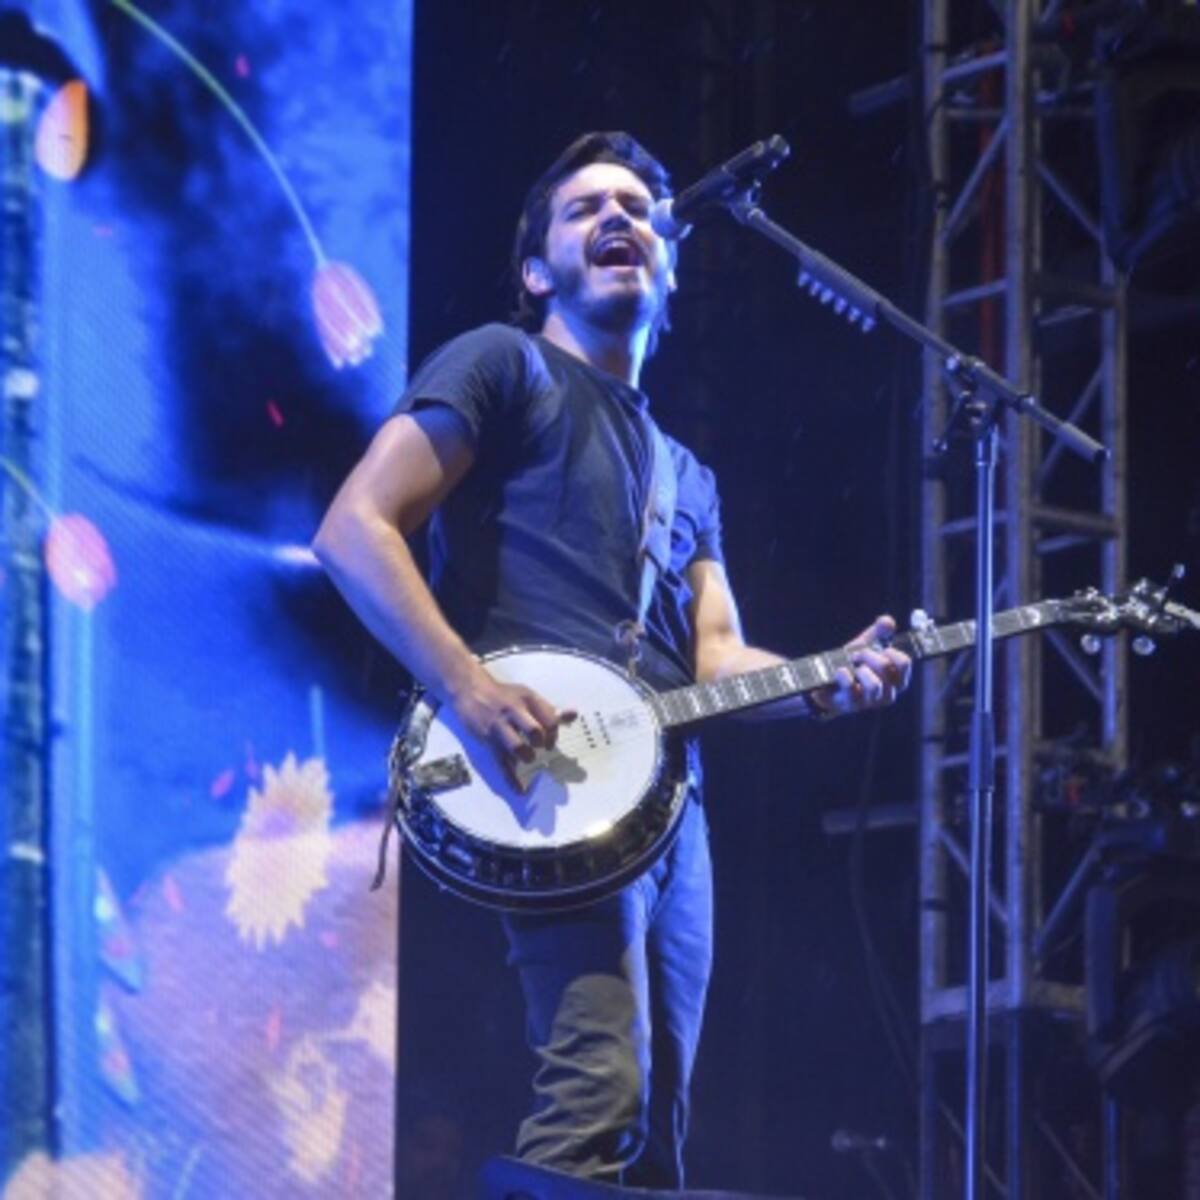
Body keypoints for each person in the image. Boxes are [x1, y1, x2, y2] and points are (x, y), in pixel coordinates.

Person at [313, 130, 911, 1189]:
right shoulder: (502, 363)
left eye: (637, 207)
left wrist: (828, 678)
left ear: (670, 265)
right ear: (538, 272)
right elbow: (355, 529)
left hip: (667, 793)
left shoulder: (687, 476)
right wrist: (466, 685)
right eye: (586, 207)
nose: (619, 217)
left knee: (658, 1124)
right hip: (543, 763)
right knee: (602, 1086)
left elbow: (715, 660)